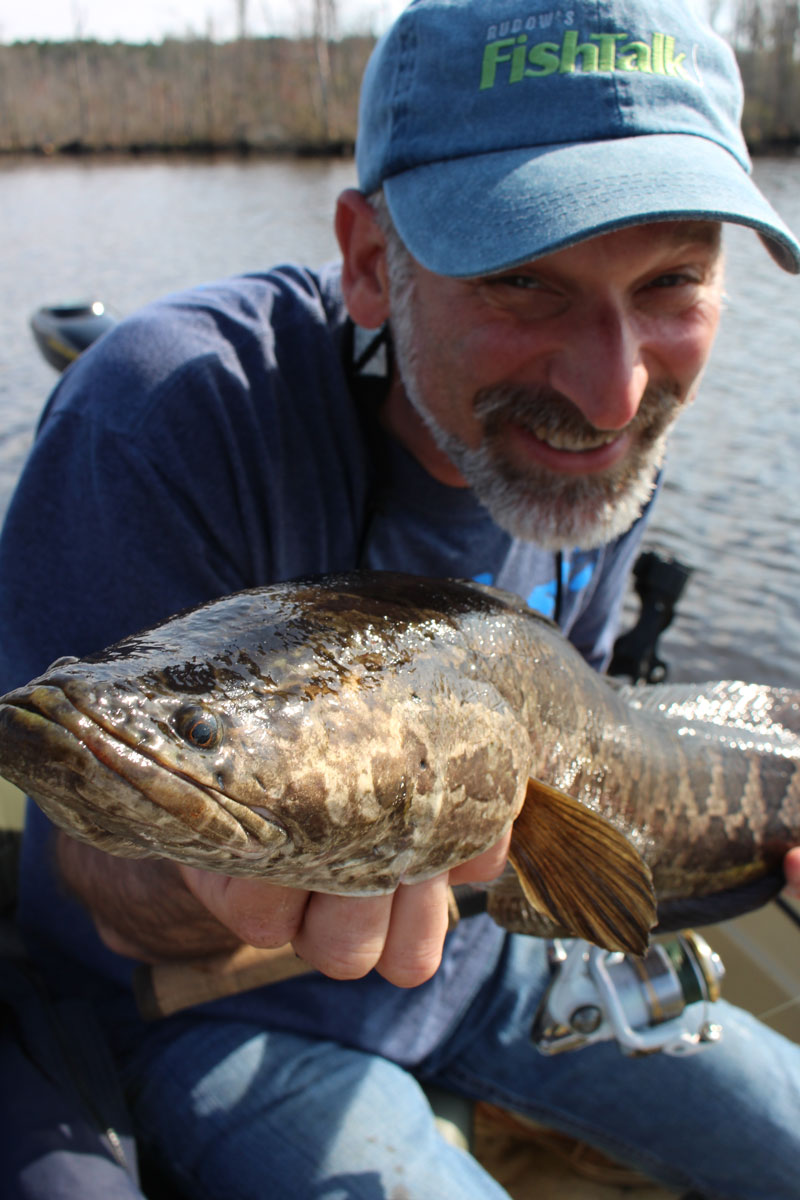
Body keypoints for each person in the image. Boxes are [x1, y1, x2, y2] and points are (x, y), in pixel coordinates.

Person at [2, 0, 800, 1196]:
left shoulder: (598, 438)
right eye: (524, 278)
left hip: (496, 961)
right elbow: (94, 876)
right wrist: (224, 883)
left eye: (670, 280)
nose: (611, 384)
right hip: (212, 1015)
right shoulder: (162, 414)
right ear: (373, 264)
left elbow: (570, 820)